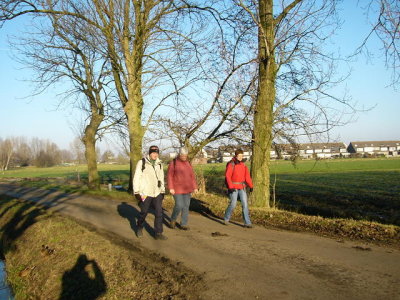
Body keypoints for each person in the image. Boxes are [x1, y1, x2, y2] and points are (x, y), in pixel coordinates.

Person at [133, 145, 167, 240]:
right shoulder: (142, 163)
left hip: (157, 192)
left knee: (159, 213)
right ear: (149, 153)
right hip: (145, 192)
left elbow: (161, 177)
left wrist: (162, 191)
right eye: (153, 152)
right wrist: (136, 192)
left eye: (157, 153)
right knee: (144, 212)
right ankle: (139, 227)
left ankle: (158, 233)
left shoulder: (159, 163)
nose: (155, 154)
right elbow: (136, 177)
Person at [167, 147, 198, 230]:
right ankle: (173, 219)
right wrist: (170, 187)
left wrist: (195, 187)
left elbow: (192, 176)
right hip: (177, 188)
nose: (184, 157)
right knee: (179, 205)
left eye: (185, 155)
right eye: (182, 155)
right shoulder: (173, 163)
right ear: (179, 154)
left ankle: (183, 224)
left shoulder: (188, 163)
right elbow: (169, 176)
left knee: (186, 206)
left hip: (187, 188)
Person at [224, 149, 254, 228]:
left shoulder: (243, 165)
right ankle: (226, 218)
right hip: (233, 187)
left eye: (242, 156)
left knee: (245, 204)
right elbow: (227, 176)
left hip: (242, 187)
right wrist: (230, 187)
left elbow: (247, 177)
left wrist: (251, 186)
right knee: (233, 204)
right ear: (236, 156)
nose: (241, 157)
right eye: (239, 156)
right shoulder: (231, 164)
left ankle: (247, 222)